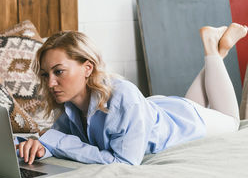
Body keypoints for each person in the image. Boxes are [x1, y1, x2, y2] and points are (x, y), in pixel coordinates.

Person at [16, 23, 247, 165]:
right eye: (46, 75)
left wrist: (55, 142)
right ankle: (219, 48)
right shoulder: (70, 108)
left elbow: (124, 161)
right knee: (190, 102)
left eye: (59, 72)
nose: (51, 82)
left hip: (184, 121)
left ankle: (213, 49)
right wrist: (42, 147)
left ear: (87, 68)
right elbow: (55, 139)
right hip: (158, 110)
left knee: (233, 121)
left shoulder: (121, 95)